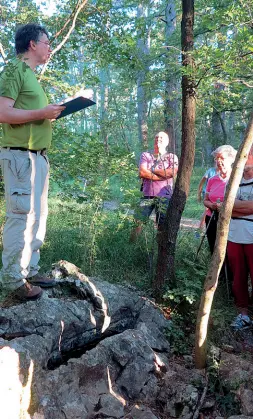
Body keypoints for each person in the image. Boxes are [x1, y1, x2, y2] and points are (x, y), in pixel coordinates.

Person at [0, 23, 65, 300]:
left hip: (37, 158)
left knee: (38, 216)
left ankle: (29, 268)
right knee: (20, 217)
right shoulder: (14, 70)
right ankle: (12, 280)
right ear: (32, 45)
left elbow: (32, 113)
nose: (50, 48)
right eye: (47, 43)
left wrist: (49, 113)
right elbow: (3, 112)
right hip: (20, 156)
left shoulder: (30, 75)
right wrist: (42, 113)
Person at [130, 131, 178, 241]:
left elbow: (172, 172)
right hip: (147, 195)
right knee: (137, 222)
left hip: (165, 196)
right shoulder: (146, 155)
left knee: (162, 224)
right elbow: (142, 172)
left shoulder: (172, 157)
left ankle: (160, 251)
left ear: (167, 142)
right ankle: (131, 247)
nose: (158, 139)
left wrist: (152, 169)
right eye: (156, 137)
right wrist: (161, 176)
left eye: (161, 138)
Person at [227, 153, 253, 329]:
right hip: (234, 235)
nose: (247, 156)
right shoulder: (234, 179)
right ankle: (243, 315)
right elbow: (226, 206)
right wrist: (236, 208)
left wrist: (234, 207)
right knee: (238, 277)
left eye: (251, 153)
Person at [203, 145, 237, 253]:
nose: (218, 161)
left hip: (230, 219)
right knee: (213, 248)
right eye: (216, 158)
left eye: (222, 158)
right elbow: (205, 200)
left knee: (229, 250)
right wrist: (212, 205)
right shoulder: (212, 180)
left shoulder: (236, 178)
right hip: (211, 217)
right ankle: (216, 270)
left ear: (231, 159)